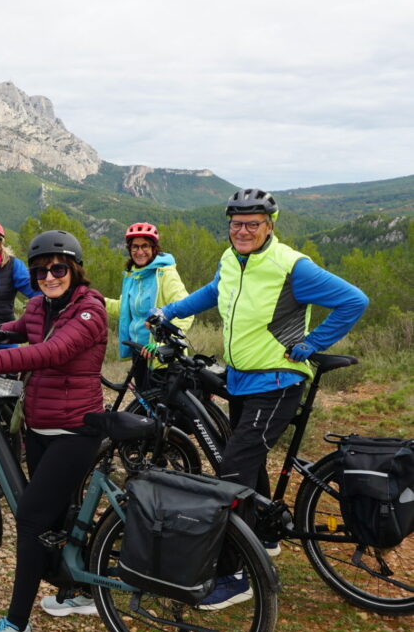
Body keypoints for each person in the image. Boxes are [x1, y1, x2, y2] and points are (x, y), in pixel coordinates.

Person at [152, 188, 369, 609]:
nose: (244, 231)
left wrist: (311, 344)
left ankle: (236, 575)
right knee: (249, 465)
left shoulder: (291, 266)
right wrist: (170, 311)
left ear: (270, 225)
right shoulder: (231, 259)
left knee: (232, 472)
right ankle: (265, 535)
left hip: (276, 381)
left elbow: (353, 301)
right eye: (237, 224)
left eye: (253, 224)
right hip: (242, 381)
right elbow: (213, 292)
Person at [0, 230, 108, 632]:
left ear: (74, 270)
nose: (48, 276)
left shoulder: (89, 311)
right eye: (40, 270)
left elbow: (51, 352)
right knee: (55, 518)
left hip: (75, 432)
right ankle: (77, 591)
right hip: (40, 426)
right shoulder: (40, 305)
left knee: (31, 520)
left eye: (58, 269)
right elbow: (18, 328)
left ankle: (17, 627)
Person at [104, 222, 193, 391]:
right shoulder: (133, 276)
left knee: (167, 412)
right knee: (146, 409)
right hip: (140, 353)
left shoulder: (165, 274)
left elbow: (186, 311)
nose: (139, 251)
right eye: (135, 247)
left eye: (145, 246)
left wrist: (163, 346)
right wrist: (97, 301)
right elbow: (124, 308)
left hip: (162, 357)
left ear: (154, 248)